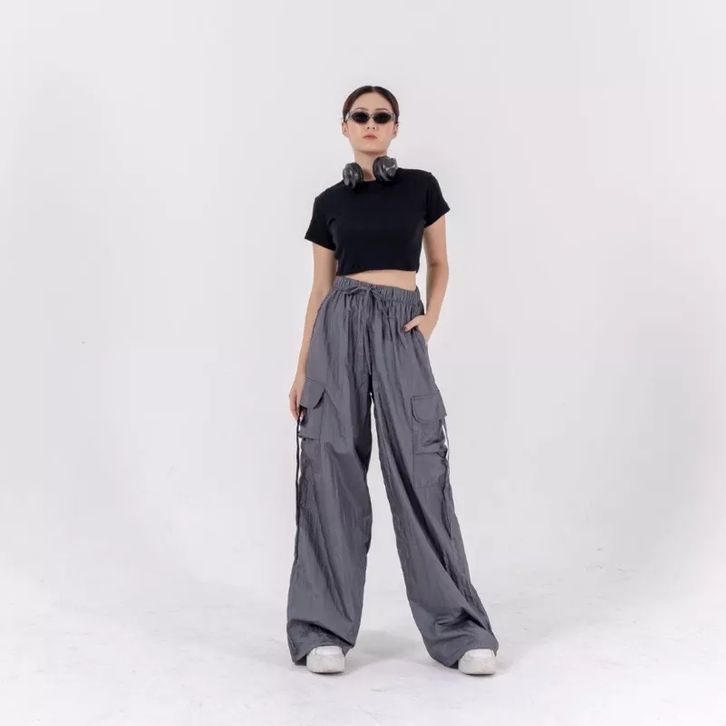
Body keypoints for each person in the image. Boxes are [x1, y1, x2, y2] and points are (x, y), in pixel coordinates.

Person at [286, 85, 499, 676]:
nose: (371, 124)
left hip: (401, 324)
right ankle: (322, 629)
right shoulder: (329, 202)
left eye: (382, 117)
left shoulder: (420, 187)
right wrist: (302, 369)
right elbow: (320, 289)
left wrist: (429, 318)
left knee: (420, 467)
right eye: (360, 116)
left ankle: (459, 630)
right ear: (345, 126)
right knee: (330, 468)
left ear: (395, 127)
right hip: (339, 327)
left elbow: (439, 262)